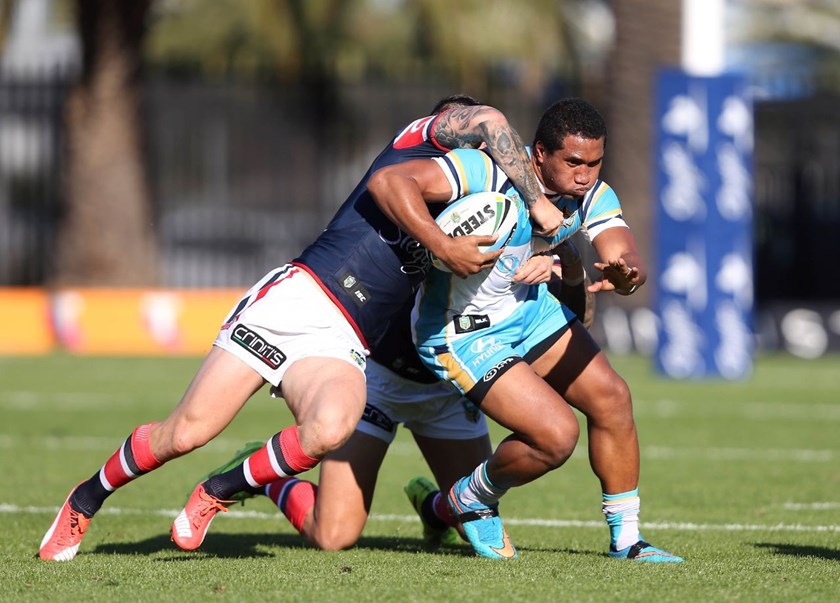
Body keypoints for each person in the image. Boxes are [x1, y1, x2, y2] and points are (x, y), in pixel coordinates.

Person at [38, 95, 565, 562]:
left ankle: (219, 488)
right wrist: (524, 210)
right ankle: (85, 500)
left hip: (347, 341)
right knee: (187, 432)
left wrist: (558, 262)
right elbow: (490, 120)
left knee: (332, 426)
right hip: (299, 298)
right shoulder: (413, 149)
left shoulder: (470, 203)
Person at [367, 97, 683, 562]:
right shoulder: (482, 170)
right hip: (460, 331)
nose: (585, 174)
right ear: (537, 154)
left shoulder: (590, 194)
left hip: (527, 314)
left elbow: (622, 250)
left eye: (595, 162)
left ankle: (627, 540)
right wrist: (442, 245)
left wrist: (628, 272)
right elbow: (388, 180)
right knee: (556, 437)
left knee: (613, 397)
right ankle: (467, 499)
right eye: (573, 162)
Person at [189, 240, 590, 551]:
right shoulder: (439, 225)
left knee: (470, 522)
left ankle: (434, 510)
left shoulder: (519, 239)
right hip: (379, 382)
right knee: (332, 535)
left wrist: (570, 269)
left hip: (447, 389)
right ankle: (268, 481)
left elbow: (573, 319)